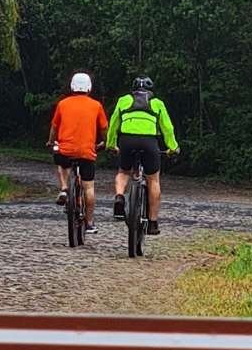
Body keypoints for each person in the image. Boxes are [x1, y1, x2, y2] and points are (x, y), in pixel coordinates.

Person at [105, 76, 179, 234]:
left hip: (126, 140)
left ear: (133, 89)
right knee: (153, 179)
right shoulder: (157, 103)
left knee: (123, 171)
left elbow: (113, 124)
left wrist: (111, 144)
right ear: (150, 90)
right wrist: (173, 147)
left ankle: (119, 196)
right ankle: (153, 222)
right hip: (149, 142)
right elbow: (167, 128)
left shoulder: (124, 100)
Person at [48, 73, 108, 232]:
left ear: (72, 86)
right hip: (87, 152)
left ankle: (64, 188)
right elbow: (104, 128)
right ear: (89, 87)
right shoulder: (96, 106)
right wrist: (105, 142)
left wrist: (50, 141)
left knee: (61, 164)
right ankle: (89, 223)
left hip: (65, 149)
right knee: (88, 187)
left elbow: (54, 127)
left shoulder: (62, 104)